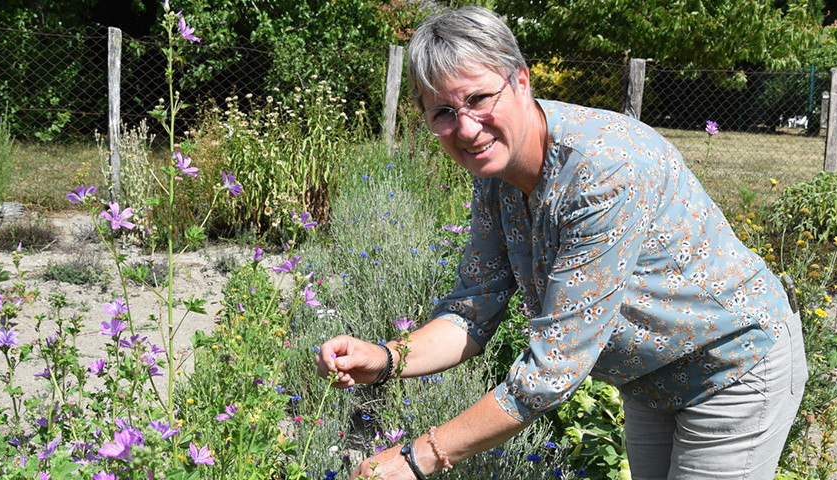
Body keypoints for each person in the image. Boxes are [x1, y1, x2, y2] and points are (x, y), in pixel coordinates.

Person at [315, 6, 807, 480]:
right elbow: (473, 310)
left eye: (479, 99)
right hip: (649, 382)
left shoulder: (604, 170)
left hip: (732, 369)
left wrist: (419, 458)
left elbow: (551, 371)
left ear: (521, 81)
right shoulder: (496, 172)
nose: (465, 128)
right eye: (443, 112)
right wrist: (384, 359)